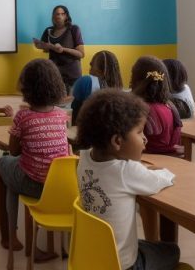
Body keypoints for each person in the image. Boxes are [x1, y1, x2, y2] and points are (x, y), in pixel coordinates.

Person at [74, 89, 180, 270]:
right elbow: (161, 180)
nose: (145, 139)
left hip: (92, 258)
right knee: (172, 251)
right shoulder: (126, 171)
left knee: (144, 245)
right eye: (140, 132)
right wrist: (164, 171)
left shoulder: (83, 159)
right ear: (117, 141)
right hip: (124, 266)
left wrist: (141, 170)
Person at [0, 59, 71, 259]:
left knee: (4, 164)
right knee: (16, 171)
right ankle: (47, 245)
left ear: (26, 87)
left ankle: (10, 236)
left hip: (33, 184)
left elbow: (13, 151)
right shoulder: (62, 115)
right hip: (60, 187)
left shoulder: (23, 117)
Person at [129, 56, 182, 156]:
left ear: (135, 80)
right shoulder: (169, 106)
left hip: (147, 159)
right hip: (170, 158)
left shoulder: (141, 109)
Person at [34, 5, 84, 89]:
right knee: (56, 100)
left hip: (72, 75)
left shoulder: (74, 29)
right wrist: (41, 46)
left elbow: (81, 54)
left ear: (66, 16)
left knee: (71, 100)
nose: (59, 16)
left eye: (62, 14)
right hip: (54, 74)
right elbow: (45, 49)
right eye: (57, 14)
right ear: (53, 16)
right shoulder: (48, 30)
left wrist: (63, 49)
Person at [71, 50, 122, 122]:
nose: (90, 70)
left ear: (101, 70)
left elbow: (73, 109)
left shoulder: (86, 81)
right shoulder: (121, 92)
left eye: (91, 65)